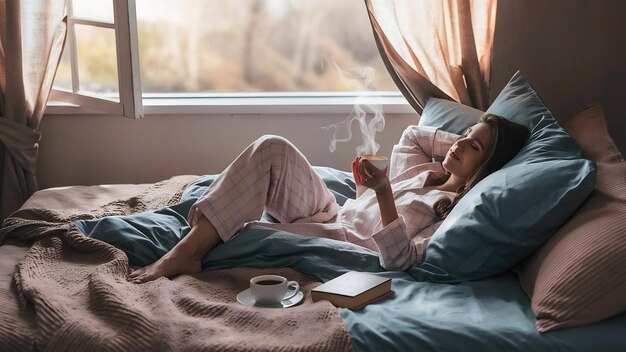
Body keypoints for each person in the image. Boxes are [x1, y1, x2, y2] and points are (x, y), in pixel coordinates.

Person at [130, 114, 529, 283]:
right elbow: (412, 135)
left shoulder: (452, 213)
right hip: (334, 211)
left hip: (339, 238)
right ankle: (192, 244)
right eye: (464, 135)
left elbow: (402, 261)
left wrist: (385, 193)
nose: (459, 142)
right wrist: (464, 146)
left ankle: (185, 252)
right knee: (272, 147)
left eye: (473, 147)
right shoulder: (427, 171)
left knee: (246, 229)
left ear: (487, 168)